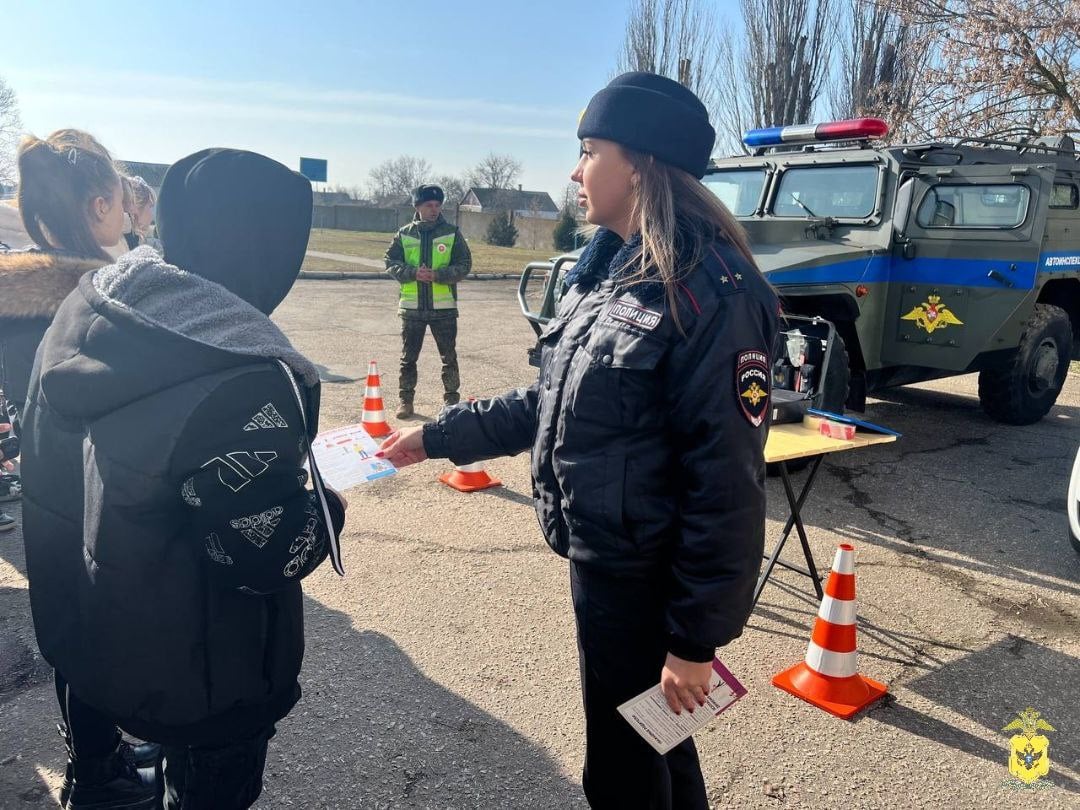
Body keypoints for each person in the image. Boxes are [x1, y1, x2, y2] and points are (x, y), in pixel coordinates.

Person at [379, 72, 779, 809]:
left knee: (625, 772)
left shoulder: (710, 291)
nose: (574, 171)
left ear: (641, 165)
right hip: (605, 565)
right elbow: (550, 400)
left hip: (647, 581)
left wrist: (694, 641)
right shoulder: (613, 273)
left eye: (589, 151)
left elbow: (726, 480)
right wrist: (435, 437)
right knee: (659, 743)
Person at [20, 148, 347, 810]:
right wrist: (328, 512)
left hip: (94, 626)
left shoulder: (88, 308)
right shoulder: (243, 369)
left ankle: (100, 783)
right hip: (201, 670)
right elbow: (256, 552)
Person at [384, 184, 471, 418]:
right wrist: (412, 272)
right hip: (411, 310)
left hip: (444, 310)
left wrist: (438, 275)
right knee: (408, 359)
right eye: (428, 205)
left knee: (449, 358)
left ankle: (452, 402)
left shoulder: (452, 233)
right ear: (417, 207)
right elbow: (390, 262)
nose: (434, 209)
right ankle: (406, 400)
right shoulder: (404, 234)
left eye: (437, 205)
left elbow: (464, 265)